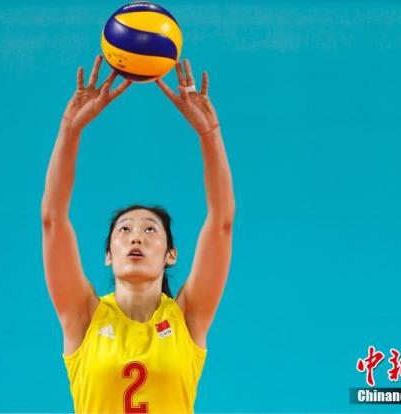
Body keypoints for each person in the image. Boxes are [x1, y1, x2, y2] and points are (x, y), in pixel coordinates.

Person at [41, 54, 235, 414]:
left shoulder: (188, 317)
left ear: (171, 254)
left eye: (150, 229)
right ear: (108, 255)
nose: (136, 237)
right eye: (124, 230)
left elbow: (221, 222)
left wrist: (209, 134)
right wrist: (70, 129)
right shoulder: (84, 316)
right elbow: (53, 221)